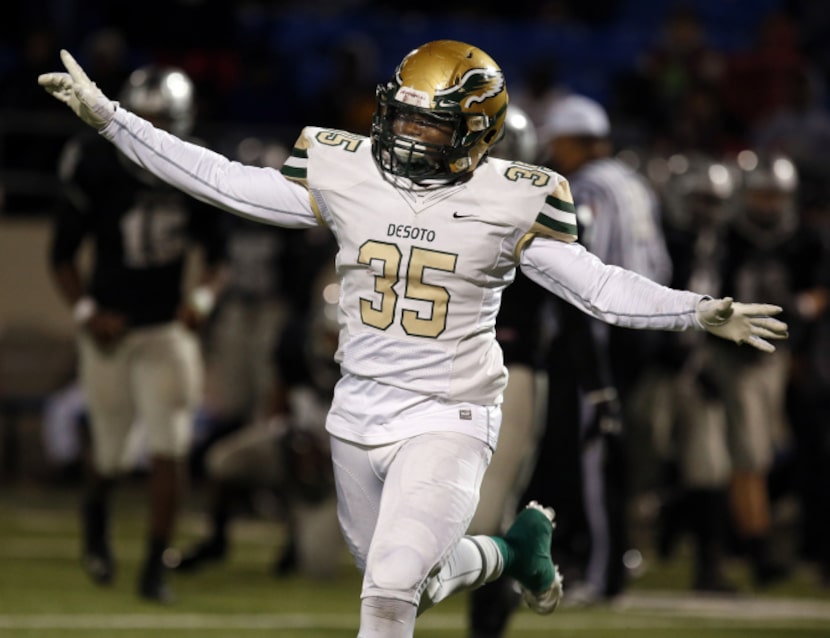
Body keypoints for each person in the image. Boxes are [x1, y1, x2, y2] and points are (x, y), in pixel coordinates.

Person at [39, 42, 787, 637]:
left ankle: (500, 554)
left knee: (389, 591)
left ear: (477, 133)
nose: (407, 136)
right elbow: (226, 182)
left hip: (450, 412)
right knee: (411, 582)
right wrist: (114, 122)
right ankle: (512, 552)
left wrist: (695, 309)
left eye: (431, 124)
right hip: (357, 408)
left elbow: (595, 284)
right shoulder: (347, 166)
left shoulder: (514, 195)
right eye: (402, 117)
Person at [47, 63, 228, 603]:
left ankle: (154, 567)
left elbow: (218, 258)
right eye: (142, 120)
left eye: (160, 121)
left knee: (170, 448)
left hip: (166, 330)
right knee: (110, 457)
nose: (150, 132)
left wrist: (200, 300)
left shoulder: (194, 165)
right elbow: (61, 256)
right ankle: (96, 518)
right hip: (109, 330)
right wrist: (86, 315)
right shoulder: (96, 161)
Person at [536, 93, 673, 604]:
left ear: (576, 142)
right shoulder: (634, 182)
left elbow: (580, 271)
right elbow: (659, 263)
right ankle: (601, 561)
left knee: (593, 458)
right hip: (643, 327)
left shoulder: (587, 186)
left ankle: (600, 572)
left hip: (600, 333)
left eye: (561, 143)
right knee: (609, 455)